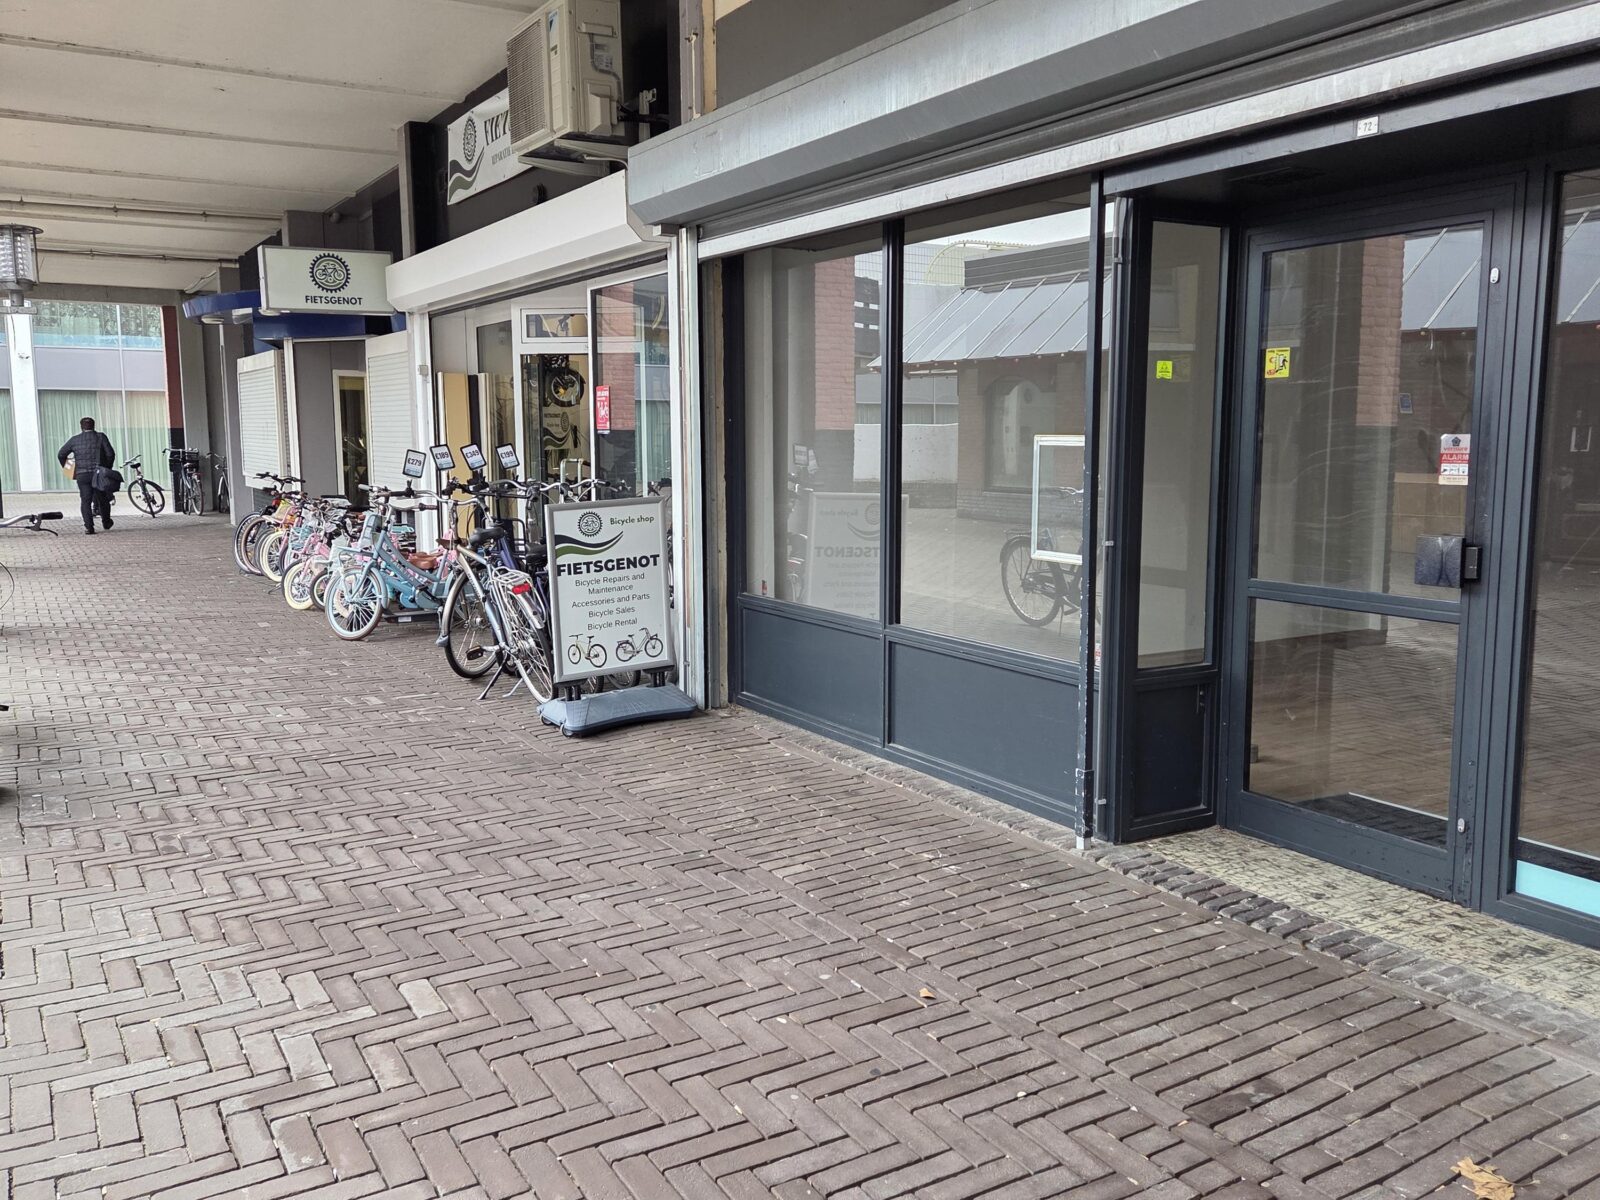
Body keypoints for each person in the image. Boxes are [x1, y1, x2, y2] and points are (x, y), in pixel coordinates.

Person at [57, 417, 116, 535]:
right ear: (94, 425)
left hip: (82, 475)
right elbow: (110, 454)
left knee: (85, 501)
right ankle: (106, 522)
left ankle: (89, 527)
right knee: (103, 499)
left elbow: (61, 454)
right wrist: (106, 468)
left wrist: (69, 468)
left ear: (81, 427)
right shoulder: (101, 437)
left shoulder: (74, 440)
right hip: (99, 474)